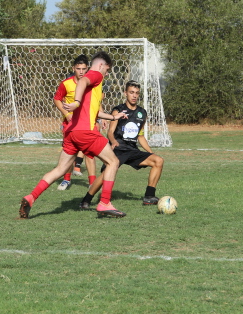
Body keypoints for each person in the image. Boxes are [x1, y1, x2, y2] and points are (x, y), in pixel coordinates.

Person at [19, 51, 128, 219]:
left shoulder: (91, 87)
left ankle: (31, 197)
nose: (107, 73)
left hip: (71, 132)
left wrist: (113, 117)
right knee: (113, 161)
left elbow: (93, 112)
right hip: (85, 132)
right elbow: (82, 81)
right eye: (107, 69)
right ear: (101, 65)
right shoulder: (96, 74)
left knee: (60, 169)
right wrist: (76, 102)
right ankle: (105, 202)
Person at [79, 80, 165, 210]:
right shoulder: (118, 110)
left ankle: (149, 196)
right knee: (105, 175)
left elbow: (140, 136)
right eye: (131, 92)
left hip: (132, 150)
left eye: (136, 93)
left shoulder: (142, 113)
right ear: (125, 93)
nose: (134, 95)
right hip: (118, 149)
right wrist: (113, 141)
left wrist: (150, 152)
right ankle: (86, 200)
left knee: (158, 161)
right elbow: (110, 132)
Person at [53, 54, 96, 191]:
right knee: (69, 153)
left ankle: (92, 183)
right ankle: (66, 180)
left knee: (90, 153)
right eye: (78, 69)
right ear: (73, 68)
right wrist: (66, 114)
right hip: (71, 125)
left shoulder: (90, 83)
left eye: (84, 69)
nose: (81, 72)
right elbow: (57, 99)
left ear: (87, 68)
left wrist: (101, 117)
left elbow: (96, 101)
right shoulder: (66, 83)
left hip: (87, 123)